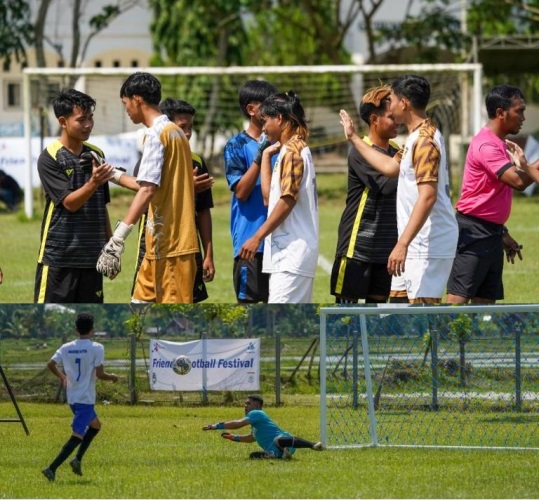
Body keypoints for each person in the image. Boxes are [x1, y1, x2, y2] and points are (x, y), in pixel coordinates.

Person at [340, 74, 458, 304]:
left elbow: (428, 196)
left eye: (392, 99)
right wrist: (354, 138)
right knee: (397, 314)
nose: (390, 106)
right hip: (414, 243)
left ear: (404, 103)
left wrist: (402, 243)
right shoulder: (415, 137)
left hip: (428, 244)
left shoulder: (425, 141)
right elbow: (388, 167)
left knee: (422, 321)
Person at [96, 72, 198, 303]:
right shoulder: (175, 132)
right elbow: (147, 184)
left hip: (173, 245)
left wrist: (117, 239)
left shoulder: (156, 134)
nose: (126, 110)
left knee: (172, 325)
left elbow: (147, 191)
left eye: (125, 104)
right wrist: (111, 173)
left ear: (137, 99)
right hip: (158, 245)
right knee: (138, 307)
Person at [446, 85, 539, 304]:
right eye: (519, 111)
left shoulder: (499, 143)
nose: (523, 117)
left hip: (491, 231)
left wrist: (501, 232)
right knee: (458, 299)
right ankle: (442, 338)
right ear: (500, 113)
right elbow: (517, 181)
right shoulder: (487, 144)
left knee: (485, 300)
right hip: (473, 232)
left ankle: (471, 339)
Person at [116, 98, 215, 303]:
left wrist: (208, 254)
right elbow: (145, 194)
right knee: (142, 304)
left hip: (183, 244)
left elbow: (203, 210)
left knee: (182, 304)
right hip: (153, 241)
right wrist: (185, 188)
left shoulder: (196, 162)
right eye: (182, 127)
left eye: (190, 127)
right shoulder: (152, 154)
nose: (187, 133)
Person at [34, 89, 115, 303]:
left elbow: (101, 204)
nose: (88, 124)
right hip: (60, 257)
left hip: (92, 257)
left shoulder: (96, 154)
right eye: (81, 119)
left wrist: (111, 245)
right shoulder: (50, 157)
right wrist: (94, 181)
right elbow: (70, 203)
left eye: (90, 118)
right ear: (63, 121)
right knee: (50, 319)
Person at [239, 91, 319, 303]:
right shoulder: (287, 150)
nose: (263, 128)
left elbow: (287, 201)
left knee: (282, 328)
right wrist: (265, 156)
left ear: (280, 119)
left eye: (265, 121)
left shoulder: (293, 151)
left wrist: (257, 237)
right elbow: (269, 199)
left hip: (292, 255)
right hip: (286, 257)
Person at [330, 84, 399, 303]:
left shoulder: (397, 151)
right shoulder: (360, 151)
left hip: (385, 248)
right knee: (345, 316)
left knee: (375, 317)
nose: (397, 121)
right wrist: (402, 163)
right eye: (391, 117)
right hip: (356, 246)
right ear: (374, 119)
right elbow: (386, 186)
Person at [42, 313, 118, 482]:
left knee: (96, 426)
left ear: (76, 330)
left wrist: (62, 377)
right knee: (78, 435)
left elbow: (50, 364)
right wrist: (112, 377)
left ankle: (77, 459)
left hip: (73, 397)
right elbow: (100, 374)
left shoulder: (65, 347)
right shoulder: (97, 348)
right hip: (85, 398)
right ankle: (51, 468)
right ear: (92, 330)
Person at [224, 80, 277, 303]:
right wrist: (261, 154)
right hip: (250, 244)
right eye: (268, 105)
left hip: (280, 242)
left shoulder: (282, 144)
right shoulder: (236, 145)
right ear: (251, 109)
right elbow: (242, 192)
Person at [202, 394, 323, 459]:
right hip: (274, 450)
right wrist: (233, 437)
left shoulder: (257, 413)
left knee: (278, 440)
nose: (245, 406)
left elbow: (238, 424)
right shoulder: (255, 426)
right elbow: (251, 438)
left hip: (284, 440)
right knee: (253, 456)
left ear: (257, 405)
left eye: (248, 403)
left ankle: (313, 445)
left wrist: (216, 426)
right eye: (245, 404)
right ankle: (280, 455)